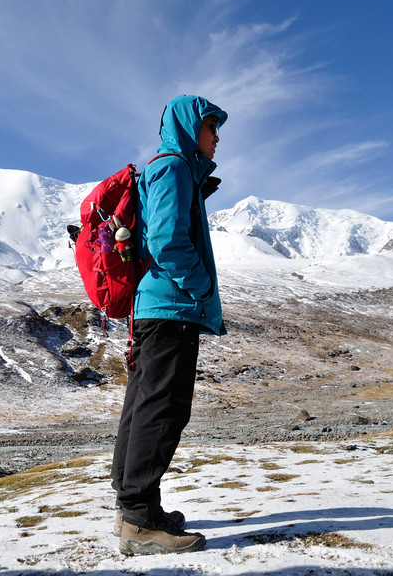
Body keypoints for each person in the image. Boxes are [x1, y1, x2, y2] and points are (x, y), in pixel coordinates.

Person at [111, 94, 228, 556]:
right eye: (210, 127)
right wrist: (200, 288)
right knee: (164, 408)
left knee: (144, 405)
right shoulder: (173, 167)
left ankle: (135, 508)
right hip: (170, 309)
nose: (217, 137)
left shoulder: (173, 171)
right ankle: (138, 519)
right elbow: (166, 241)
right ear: (189, 127)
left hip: (157, 310)